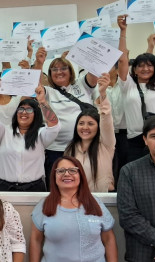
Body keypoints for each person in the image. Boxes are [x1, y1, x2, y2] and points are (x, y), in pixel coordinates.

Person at [29, 156, 118, 262]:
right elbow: (35, 241)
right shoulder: (44, 206)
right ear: (54, 176)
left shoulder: (96, 204)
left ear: (80, 175)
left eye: (72, 170)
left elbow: (109, 240)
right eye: (61, 171)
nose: (67, 174)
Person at [117, 115, 155, 262]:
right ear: (145, 140)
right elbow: (129, 216)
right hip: (146, 261)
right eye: (154, 136)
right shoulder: (130, 171)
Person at [0, 83, 60, 191]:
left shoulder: (41, 134)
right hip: (4, 187)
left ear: (36, 114)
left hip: (34, 188)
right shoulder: (5, 132)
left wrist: (42, 102)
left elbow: (54, 126)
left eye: (29, 110)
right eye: (21, 109)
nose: (24, 113)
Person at [33, 47, 98, 179]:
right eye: (54, 69)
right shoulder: (49, 91)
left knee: (81, 184)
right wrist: (39, 63)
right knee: (58, 185)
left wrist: (83, 53)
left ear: (70, 71)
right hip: (56, 150)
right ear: (50, 74)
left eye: (63, 68)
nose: (59, 72)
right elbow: (33, 84)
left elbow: (94, 72)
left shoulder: (81, 84)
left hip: (83, 147)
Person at [117, 15, 155, 162]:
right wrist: (123, 32)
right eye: (141, 65)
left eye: (150, 65)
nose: (146, 68)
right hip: (136, 141)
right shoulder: (127, 84)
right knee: (139, 178)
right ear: (135, 69)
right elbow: (122, 59)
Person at [64, 73, 116, 192]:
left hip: (101, 200)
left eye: (91, 124)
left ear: (98, 127)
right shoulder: (70, 148)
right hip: (76, 199)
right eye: (81, 123)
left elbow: (106, 117)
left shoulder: (106, 144)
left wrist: (102, 94)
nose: (85, 127)